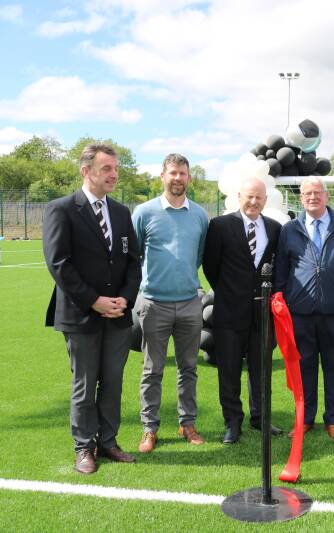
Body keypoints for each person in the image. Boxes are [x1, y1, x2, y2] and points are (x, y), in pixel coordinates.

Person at [43, 143, 142, 473]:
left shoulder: (121, 212)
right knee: (84, 385)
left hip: (118, 315)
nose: (114, 174)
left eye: (115, 169)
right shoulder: (61, 209)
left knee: (113, 382)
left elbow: (133, 262)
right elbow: (59, 264)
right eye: (106, 169)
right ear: (86, 171)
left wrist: (125, 299)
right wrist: (94, 301)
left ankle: (108, 442)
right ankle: (84, 447)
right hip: (81, 315)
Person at [132, 153, 208, 452]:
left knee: (189, 368)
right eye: (173, 173)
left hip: (189, 302)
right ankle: (149, 428)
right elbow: (135, 253)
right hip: (154, 304)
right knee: (152, 370)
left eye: (183, 173)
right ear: (163, 176)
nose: (178, 178)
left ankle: (187, 424)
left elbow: (198, 255)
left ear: (189, 177)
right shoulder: (144, 212)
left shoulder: (200, 215)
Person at [202, 177, 282, 444]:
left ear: (265, 200)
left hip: (262, 315)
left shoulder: (274, 229)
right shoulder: (220, 226)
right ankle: (232, 422)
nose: (253, 201)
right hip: (229, 313)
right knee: (229, 371)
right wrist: (231, 293)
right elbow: (211, 267)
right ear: (239, 197)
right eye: (249, 196)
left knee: (261, 371)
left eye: (259, 197)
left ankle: (260, 418)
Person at [274, 176, 334, 440]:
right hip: (300, 312)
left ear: (326, 196)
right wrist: (280, 302)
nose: (312, 197)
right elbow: (281, 271)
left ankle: (333, 420)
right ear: (301, 198)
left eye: (317, 192)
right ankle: (305, 419)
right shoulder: (289, 230)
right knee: (303, 368)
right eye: (307, 193)